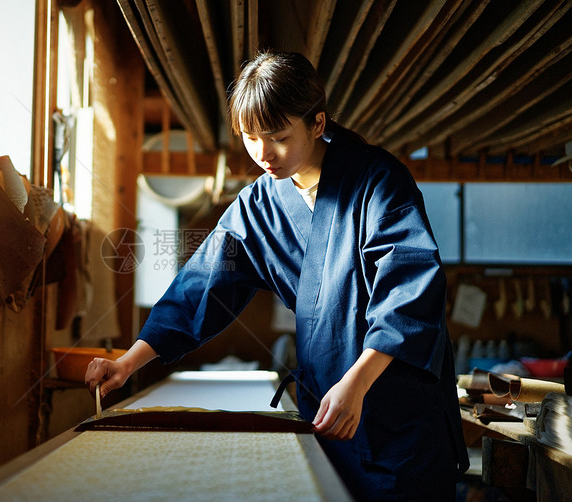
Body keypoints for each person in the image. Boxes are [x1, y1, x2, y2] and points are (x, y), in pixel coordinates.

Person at [85, 51, 469, 501]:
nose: (264, 155)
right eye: (250, 137)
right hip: (326, 414)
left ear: (318, 123)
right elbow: (201, 285)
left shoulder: (378, 182)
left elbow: (409, 290)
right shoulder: (259, 206)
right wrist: (128, 363)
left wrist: (357, 382)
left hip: (394, 415)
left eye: (279, 137)